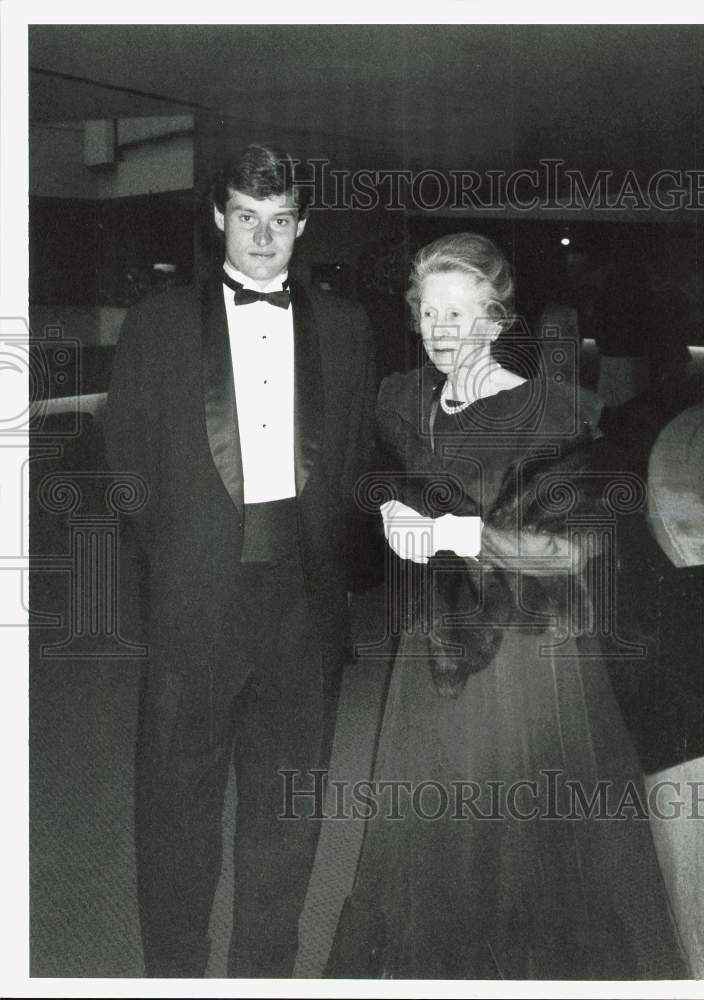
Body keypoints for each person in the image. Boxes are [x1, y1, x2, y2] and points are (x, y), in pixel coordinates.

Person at [325, 232, 688, 979]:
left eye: (459, 313)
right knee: (431, 824)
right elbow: (389, 481)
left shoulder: (547, 416)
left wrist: (464, 532)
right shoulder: (407, 400)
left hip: (525, 653)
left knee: (519, 830)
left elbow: (574, 549)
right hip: (434, 641)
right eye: (427, 313)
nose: (440, 331)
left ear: (495, 320)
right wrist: (393, 512)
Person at [103, 144, 375, 977]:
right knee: (177, 809)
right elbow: (128, 470)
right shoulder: (156, 323)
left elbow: (355, 461)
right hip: (196, 603)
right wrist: (187, 566)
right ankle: (176, 975)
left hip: (304, 605)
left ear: (303, 224)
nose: (264, 238)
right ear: (220, 217)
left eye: (281, 220)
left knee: (287, 811)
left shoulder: (346, 327)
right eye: (247, 219)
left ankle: (264, 974)